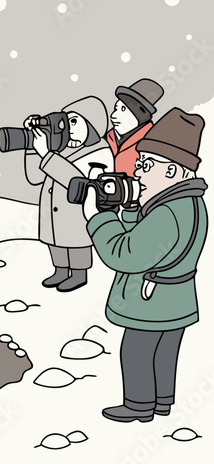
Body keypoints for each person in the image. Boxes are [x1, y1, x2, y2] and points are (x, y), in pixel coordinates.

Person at [84, 107, 208, 422]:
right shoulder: (188, 203)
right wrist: (130, 210)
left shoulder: (167, 214)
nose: (137, 173)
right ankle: (162, 401)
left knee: (137, 352)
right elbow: (147, 238)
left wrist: (99, 219)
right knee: (165, 353)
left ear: (173, 172)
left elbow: (125, 254)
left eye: (146, 165)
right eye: (140, 164)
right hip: (177, 300)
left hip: (152, 301)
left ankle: (139, 406)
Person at [24, 96, 114, 292]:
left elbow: (77, 181)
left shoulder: (99, 152)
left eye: (74, 121)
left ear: (92, 125)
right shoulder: (60, 150)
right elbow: (34, 177)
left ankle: (79, 274)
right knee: (55, 242)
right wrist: (33, 147)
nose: (67, 126)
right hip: (53, 214)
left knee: (76, 244)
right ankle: (60, 270)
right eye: (65, 120)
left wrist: (47, 155)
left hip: (76, 214)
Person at [106, 78, 164, 176]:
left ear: (139, 115)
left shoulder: (153, 144)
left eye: (123, 109)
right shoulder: (106, 139)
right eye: (116, 109)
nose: (113, 116)